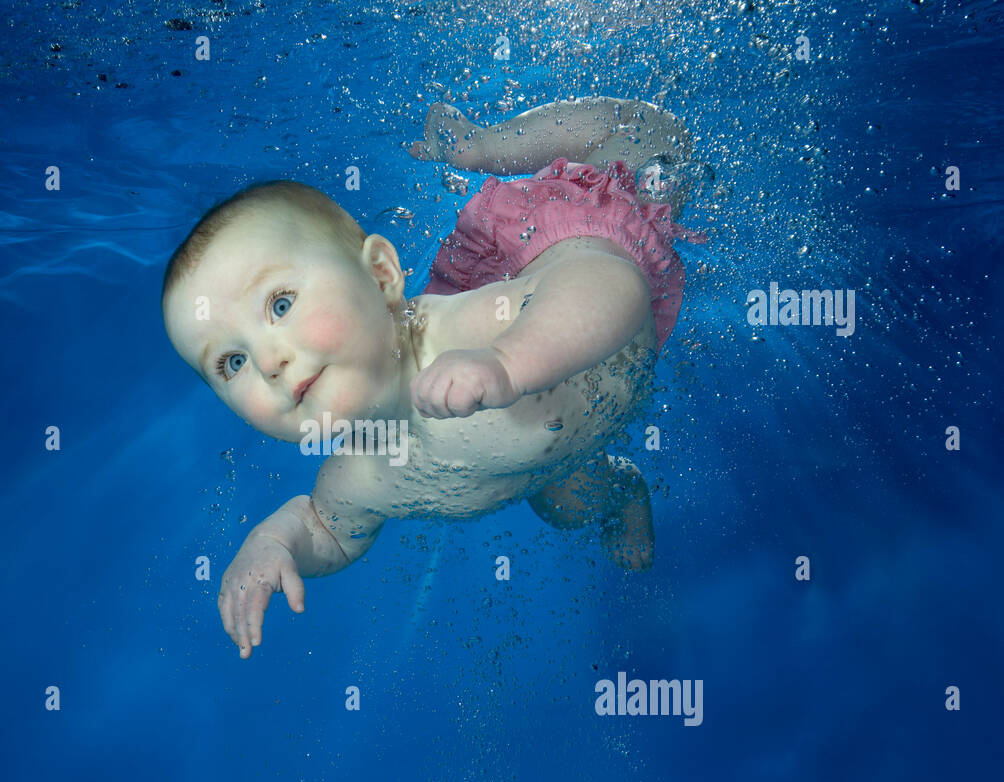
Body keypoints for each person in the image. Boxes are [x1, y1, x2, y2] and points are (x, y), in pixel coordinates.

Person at [162, 96, 705, 657]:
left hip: (585, 239)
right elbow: (329, 533)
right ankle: (622, 488)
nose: (267, 361)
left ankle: (483, 146)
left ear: (380, 277)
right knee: (567, 508)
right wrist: (277, 541)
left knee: (654, 142)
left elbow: (613, 284)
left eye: (280, 305)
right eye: (231, 362)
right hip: (562, 449)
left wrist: (509, 361)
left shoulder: (463, 334)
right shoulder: (358, 475)